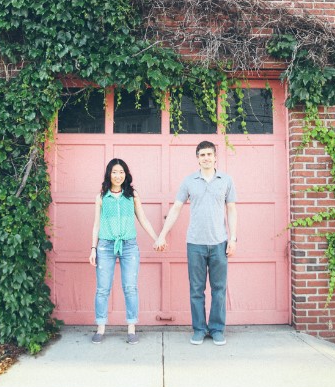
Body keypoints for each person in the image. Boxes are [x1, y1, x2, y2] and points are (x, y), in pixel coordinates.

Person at [154, 141, 237, 345]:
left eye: (209, 154)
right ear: (197, 158)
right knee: (196, 290)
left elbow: (232, 210)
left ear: (215, 156)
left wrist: (233, 238)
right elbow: (176, 208)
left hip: (219, 243)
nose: (206, 158)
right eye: (202, 155)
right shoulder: (189, 181)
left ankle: (217, 329)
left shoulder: (226, 180)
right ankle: (199, 329)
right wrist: (162, 234)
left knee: (218, 289)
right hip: (195, 244)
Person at [89, 158, 158, 344]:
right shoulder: (101, 197)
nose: (118, 175)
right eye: (114, 172)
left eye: (121, 172)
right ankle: (101, 327)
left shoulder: (132, 195)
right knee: (103, 289)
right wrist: (93, 248)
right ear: (108, 174)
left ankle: (131, 328)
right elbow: (96, 224)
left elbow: (143, 219)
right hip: (105, 246)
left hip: (128, 246)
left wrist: (156, 238)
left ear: (126, 174)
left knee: (130, 287)